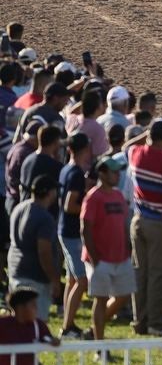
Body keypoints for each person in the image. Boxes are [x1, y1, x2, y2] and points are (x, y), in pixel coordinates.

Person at [130, 119, 162, 337]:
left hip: (138, 220)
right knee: (158, 275)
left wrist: (145, 134)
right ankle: (157, 323)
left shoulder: (135, 152)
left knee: (140, 273)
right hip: (158, 223)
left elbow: (128, 145)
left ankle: (140, 320)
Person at [80, 154, 133, 344]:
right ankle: (99, 344)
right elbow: (85, 228)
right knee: (100, 299)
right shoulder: (93, 197)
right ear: (102, 173)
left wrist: (127, 250)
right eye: (113, 172)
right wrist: (95, 259)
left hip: (120, 257)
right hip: (100, 259)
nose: (118, 175)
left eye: (119, 171)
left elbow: (124, 224)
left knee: (123, 295)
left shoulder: (119, 195)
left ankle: (95, 328)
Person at [7, 175, 60, 322]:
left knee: (18, 323)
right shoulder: (45, 218)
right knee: (34, 325)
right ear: (49, 193)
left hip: (16, 272)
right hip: (35, 278)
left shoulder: (19, 208)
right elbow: (44, 252)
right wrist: (54, 279)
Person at [57, 132, 93, 339]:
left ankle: (67, 322)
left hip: (64, 229)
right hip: (72, 232)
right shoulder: (76, 173)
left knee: (72, 279)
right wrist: (88, 208)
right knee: (81, 280)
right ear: (85, 149)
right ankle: (67, 326)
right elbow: (71, 204)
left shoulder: (66, 170)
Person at [0, 289, 59, 365]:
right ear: (20, 308)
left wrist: (54, 341)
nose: (36, 308)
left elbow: (48, 339)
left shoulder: (38, 325)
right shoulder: (3, 324)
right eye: (33, 305)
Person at [21, 127, 64, 214]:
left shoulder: (27, 160)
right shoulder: (55, 166)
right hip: (44, 215)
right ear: (55, 142)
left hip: (25, 210)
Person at [66, 89, 109, 157]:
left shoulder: (72, 119)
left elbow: (72, 112)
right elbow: (100, 155)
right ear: (98, 107)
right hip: (86, 166)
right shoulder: (97, 129)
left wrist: (85, 100)